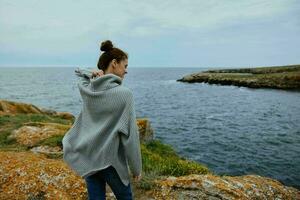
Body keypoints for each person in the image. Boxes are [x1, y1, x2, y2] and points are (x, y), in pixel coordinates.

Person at [62, 40, 142, 200]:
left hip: (89, 157)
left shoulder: (88, 88)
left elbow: (79, 73)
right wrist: (136, 168)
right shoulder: (125, 94)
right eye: (125, 66)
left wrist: (95, 74)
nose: (126, 71)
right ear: (114, 63)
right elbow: (131, 136)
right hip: (110, 161)